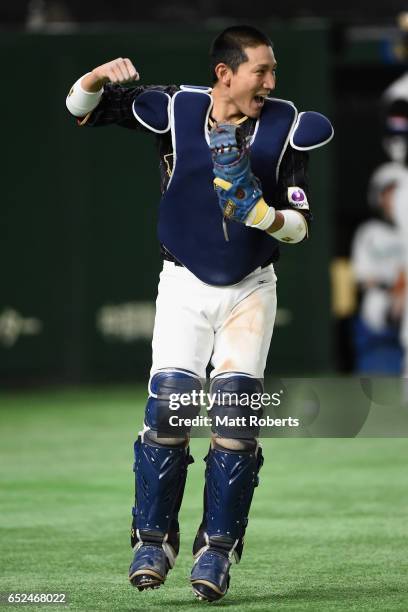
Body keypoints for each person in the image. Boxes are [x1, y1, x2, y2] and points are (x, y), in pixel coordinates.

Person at [66, 25, 333, 602]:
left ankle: (216, 552)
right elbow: (80, 109)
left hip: (249, 289)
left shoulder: (288, 127)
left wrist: (258, 213)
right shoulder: (177, 108)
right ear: (225, 73)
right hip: (183, 282)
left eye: (273, 70)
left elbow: (301, 224)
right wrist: (91, 79)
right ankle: (152, 541)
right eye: (261, 70)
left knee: (236, 420)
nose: (270, 81)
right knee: (169, 409)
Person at [351, 163, 406, 374]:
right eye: (391, 194)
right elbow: (364, 279)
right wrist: (396, 288)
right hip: (382, 309)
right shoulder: (370, 232)